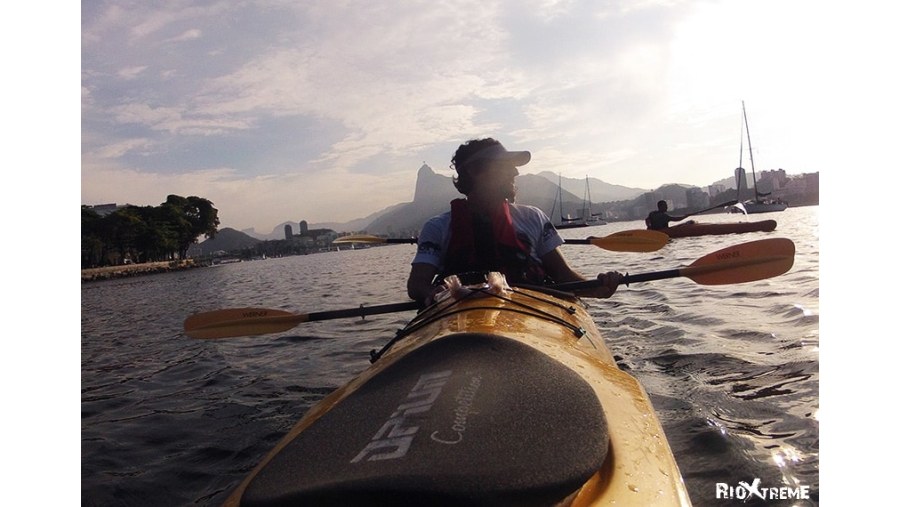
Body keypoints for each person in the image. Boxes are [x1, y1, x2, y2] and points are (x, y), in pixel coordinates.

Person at [406, 137, 622, 305]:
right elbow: (417, 285)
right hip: (462, 317)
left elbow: (563, 276)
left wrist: (597, 288)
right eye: (504, 165)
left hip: (532, 316)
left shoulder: (533, 218)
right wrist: (434, 294)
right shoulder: (437, 227)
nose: (515, 171)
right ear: (474, 170)